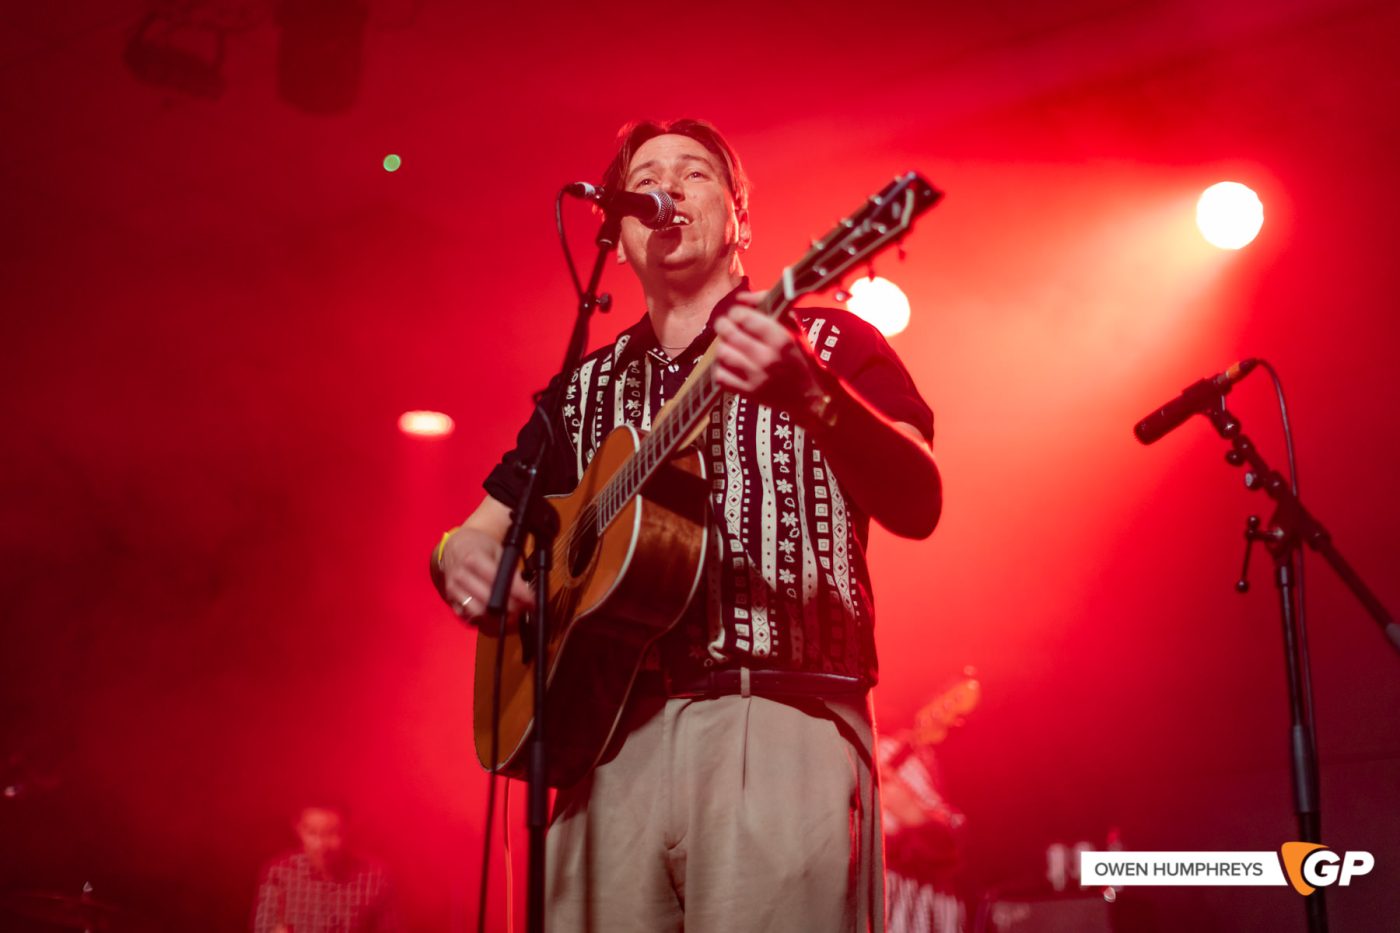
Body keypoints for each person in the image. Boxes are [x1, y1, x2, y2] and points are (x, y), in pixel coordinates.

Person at [432, 117, 942, 933]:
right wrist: (458, 556)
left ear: (742, 220)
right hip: (604, 743)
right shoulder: (582, 388)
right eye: (646, 179)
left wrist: (811, 393)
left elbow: (920, 499)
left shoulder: (829, 339)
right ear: (620, 238)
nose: (666, 188)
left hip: (777, 719)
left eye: (695, 173)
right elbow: (475, 533)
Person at [251, 801, 400, 933]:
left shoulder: (375, 876)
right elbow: (262, 927)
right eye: (312, 833)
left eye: (331, 833)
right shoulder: (278, 872)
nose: (320, 845)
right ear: (299, 829)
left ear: (347, 830)